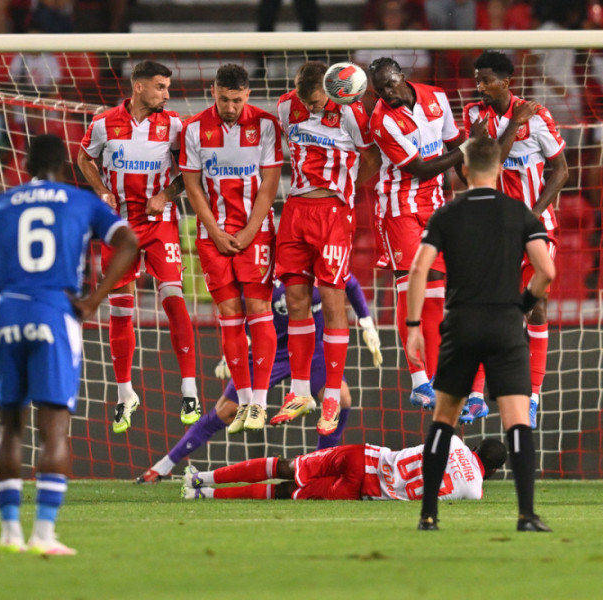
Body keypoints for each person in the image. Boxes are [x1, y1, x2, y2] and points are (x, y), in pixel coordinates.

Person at [0, 134, 138, 555]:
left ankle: (10, 532)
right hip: (54, 313)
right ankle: (44, 533)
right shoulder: (78, 201)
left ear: (25, 167)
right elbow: (128, 243)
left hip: (6, 313)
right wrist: (92, 301)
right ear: (65, 167)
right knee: (54, 427)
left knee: (10, 426)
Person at [405, 136, 556, 532]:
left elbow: (419, 270)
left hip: (461, 324)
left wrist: (414, 327)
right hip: (506, 325)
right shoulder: (520, 212)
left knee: (444, 419)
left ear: (464, 169)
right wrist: (521, 306)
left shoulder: (446, 214)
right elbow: (547, 272)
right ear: (500, 170)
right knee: (517, 421)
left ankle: (428, 515)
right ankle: (526, 515)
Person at [135, 277, 382, 484]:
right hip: (269, 353)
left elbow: (351, 283)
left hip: (312, 350)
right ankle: (163, 466)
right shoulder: (262, 280)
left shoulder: (318, 267)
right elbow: (239, 315)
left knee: (342, 399)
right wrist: (231, 353)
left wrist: (366, 321)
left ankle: (317, 467)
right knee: (226, 411)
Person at [77, 60, 200, 434]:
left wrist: (166, 193)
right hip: (120, 226)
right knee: (119, 308)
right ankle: (124, 393)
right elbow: (84, 158)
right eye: (160, 87)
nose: (166, 94)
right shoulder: (103, 123)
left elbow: (191, 170)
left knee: (173, 295)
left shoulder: (175, 126)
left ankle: (189, 389)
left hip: (159, 222)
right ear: (139, 87)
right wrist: (100, 189)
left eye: (167, 87)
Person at [367, 57, 481, 415]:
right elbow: (420, 167)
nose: (386, 94)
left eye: (389, 85)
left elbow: (454, 143)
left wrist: (473, 189)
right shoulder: (381, 120)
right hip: (398, 206)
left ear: (402, 77)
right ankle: (419, 380)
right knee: (411, 285)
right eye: (379, 91)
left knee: (436, 294)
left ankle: (437, 379)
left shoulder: (437, 98)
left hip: (436, 204)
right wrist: (464, 150)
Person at [272, 61, 380, 437]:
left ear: (330, 90)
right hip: (296, 210)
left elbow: (372, 159)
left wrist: (346, 191)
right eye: (306, 101)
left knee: (333, 304)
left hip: (333, 213)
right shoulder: (287, 107)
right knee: (297, 301)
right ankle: (300, 391)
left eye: (316, 101)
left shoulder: (351, 112)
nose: (311, 107)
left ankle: (331, 394)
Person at [464, 50, 568, 426]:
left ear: (506, 81)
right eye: (477, 80)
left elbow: (561, 170)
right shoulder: (477, 116)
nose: (480, 87)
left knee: (535, 308)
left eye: (487, 80)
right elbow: (488, 163)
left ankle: (533, 396)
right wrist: (513, 124)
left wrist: (534, 214)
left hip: (536, 227)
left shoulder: (538, 117)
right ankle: (476, 395)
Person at [179, 64, 284, 432]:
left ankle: (260, 403)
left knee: (259, 309)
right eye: (224, 99)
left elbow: (270, 184)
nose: (230, 107)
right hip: (213, 238)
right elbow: (191, 187)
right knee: (229, 314)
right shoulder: (194, 129)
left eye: (237, 100)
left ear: (248, 95)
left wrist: (252, 230)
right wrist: (216, 232)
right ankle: (242, 400)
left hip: (257, 233)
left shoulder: (266, 125)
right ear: (213, 92)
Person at [181, 435, 506, 501]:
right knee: (286, 492)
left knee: (285, 466)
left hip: (365, 458)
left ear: (475, 447)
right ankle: (204, 496)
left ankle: (200, 478)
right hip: (362, 491)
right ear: (491, 472)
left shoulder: (454, 442)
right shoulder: (474, 491)